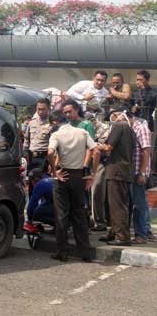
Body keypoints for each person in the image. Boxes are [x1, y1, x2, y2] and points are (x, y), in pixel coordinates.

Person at [47, 110, 99, 262]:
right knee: (79, 213)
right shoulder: (82, 132)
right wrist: (93, 173)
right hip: (79, 174)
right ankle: (86, 252)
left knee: (61, 214)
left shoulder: (56, 135)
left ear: (55, 123)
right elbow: (95, 151)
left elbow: (50, 152)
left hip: (63, 174)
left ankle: (62, 251)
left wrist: (55, 172)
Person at [96, 106, 135, 246]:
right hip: (125, 170)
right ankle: (114, 232)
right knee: (119, 203)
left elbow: (108, 147)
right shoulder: (130, 129)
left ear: (117, 115)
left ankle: (122, 237)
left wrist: (95, 144)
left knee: (116, 204)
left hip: (117, 170)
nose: (111, 119)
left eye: (112, 116)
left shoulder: (119, 126)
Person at [127, 110, 153, 244]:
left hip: (138, 171)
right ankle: (146, 231)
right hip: (132, 171)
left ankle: (141, 234)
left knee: (139, 204)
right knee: (137, 203)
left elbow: (146, 151)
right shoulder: (131, 129)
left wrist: (142, 173)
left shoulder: (141, 128)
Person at [23, 167, 55, 233]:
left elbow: (32, 204)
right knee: (41, 207)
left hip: (64, 209)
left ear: (37, 178)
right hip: (74, 207)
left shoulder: (40, 184)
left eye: (32, 180)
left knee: (37, 213)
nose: (32, 183)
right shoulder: (51, 178)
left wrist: (30, 220)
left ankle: (60, 225)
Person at [23, 97, 51, 171]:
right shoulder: (32, 123)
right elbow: (26, 139)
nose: (40, 112)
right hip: (31, 157)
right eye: (38, 109)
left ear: (48, 109)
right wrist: (25, 155)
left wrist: (52, 162)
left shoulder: (51, 123)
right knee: (31, 179)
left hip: (45, 157)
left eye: (43, 109)